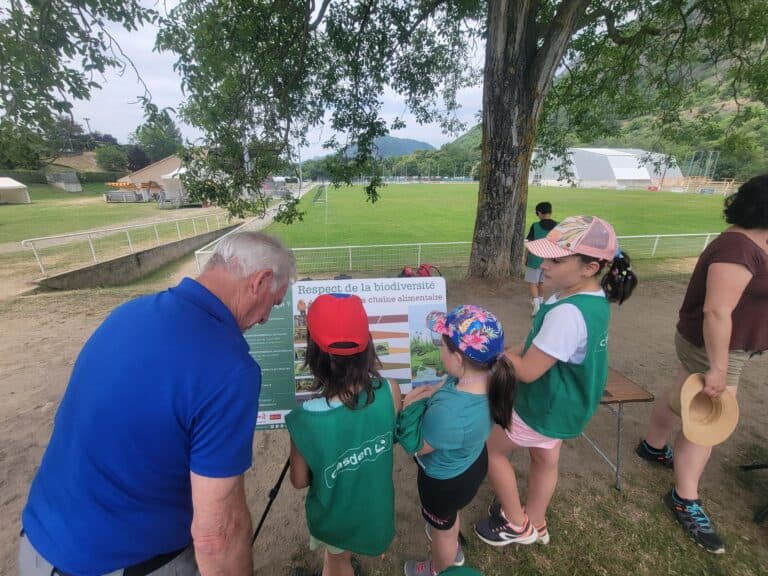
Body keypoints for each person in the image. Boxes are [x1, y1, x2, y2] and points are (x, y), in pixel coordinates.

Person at [19, 232, 296, 576]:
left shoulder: (127, 313)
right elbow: (217, 536)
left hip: (37, 546)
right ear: (260, 281)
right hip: (126, 563)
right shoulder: (230, 368)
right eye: (275, 303)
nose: (267, 318)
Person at [474, 216, 637, 547]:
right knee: (545, 459)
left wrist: (492, 352)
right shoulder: (582, 296)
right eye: (545, 257)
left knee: (491, 451)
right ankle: (536, 519)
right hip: (567, 404)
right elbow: (534, 344)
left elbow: (528, 371)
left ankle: (516, 524)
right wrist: (508, 352)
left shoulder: (568, 313)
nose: (543, 265)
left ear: (590, 267)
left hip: (542, 405)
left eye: (556, 261)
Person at [636, 174, 768, 554]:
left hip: (723, 346)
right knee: (708, 422)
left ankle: (653, 446)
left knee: (683, 392)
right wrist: (719, 368)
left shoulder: (754, 241)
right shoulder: (738, 249)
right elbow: (716, 311)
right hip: (719, 348)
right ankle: (684, 496)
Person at [286, 293, 402, 576]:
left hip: (336, 518)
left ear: (313, 354)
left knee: (336, 562)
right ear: (367, 347)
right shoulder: (390, 390)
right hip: (374, 509)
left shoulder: (305, 419)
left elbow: (299, 481)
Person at [403, 305, 517, 576]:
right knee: (448, 517)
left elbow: (418, 446)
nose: (438, 349)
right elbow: (444, 389)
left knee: (442, 532)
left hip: (443, 482)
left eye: (441, 345)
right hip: (471, 462)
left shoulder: (449, 414)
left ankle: (439, 568)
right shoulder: (486, 376)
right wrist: (433, 394)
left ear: (457, 358)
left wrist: (408, 408)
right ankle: (446, 526)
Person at [525, 202, 558, 316]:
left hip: (535, 258)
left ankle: (536, 305)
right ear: (550, 212)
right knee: (542, 281)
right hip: (550, 259)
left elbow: (529, 243)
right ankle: (541, 301)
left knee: (532, 282)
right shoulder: (558, 226)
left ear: (539, 213)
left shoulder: (535, 226)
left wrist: (526, 257)